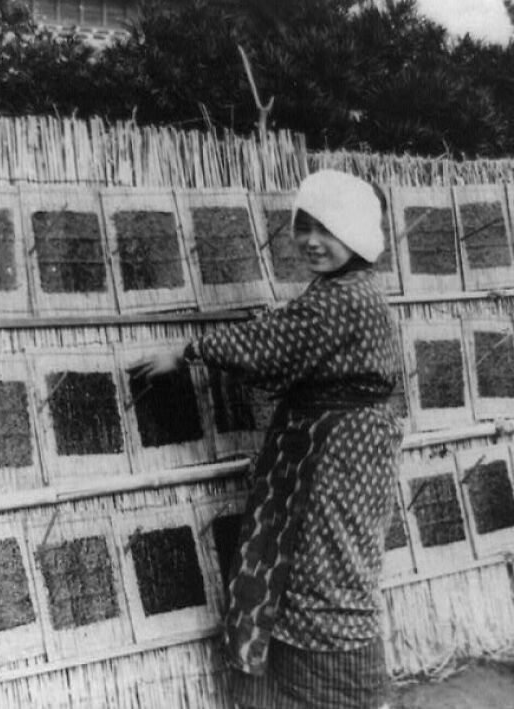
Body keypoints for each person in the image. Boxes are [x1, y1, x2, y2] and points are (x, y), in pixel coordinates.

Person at [129, 169, 403, 709]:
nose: (312, 241)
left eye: (329, 228)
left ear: (359, 235)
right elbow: (294, 334)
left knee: (324, 577)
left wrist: (187, 352)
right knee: (325, 570)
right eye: (303, 227)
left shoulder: (343, 300)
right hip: (347, 451)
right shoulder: (347, 291)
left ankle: (352, 699)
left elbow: (272, 342)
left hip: (337, 460)